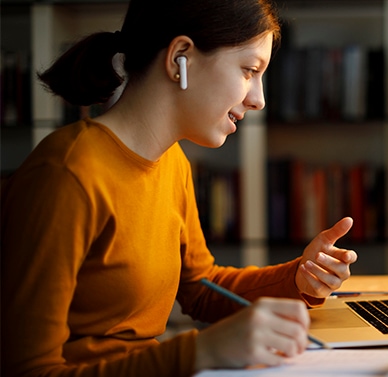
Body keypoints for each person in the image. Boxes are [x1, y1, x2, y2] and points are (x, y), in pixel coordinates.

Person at [0, 0, 358, 376]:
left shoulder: (172, 162)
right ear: (180, 58)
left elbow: (203, 290)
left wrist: (298, 278)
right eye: (249, 70)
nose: (259, 99)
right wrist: (199, 353)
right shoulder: (65, 174)